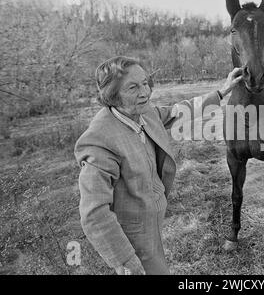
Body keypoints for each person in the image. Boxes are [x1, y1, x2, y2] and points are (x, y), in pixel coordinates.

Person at [74, 56, 243, 275]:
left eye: (145, 83)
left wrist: (221, 92)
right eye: (133, 87)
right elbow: (94, 213)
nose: (145, 92)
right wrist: (125, 260)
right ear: (112, 95)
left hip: (152, 225)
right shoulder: (99, 142)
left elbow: (180, 109)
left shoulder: (145, 113)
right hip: (132, 239)